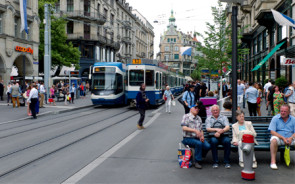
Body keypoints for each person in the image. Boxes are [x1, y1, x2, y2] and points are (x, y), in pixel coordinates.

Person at [181, 105, 211, 169]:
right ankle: (197, 161)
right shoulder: (186, 116)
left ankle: (199, 155)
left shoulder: (199, 118)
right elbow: (184, 128)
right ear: (190, 109)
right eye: (195, 108)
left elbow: (201, 130)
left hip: (197, 138)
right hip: (187, 138)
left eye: (198, 108)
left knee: (207, 146)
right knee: (198, 144)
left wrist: (202, 136)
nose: (197, 109)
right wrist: (194, 131)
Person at [268, 105, 295, 169]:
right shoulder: (275, 118)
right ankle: (273, 162)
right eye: (281, 111)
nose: (282, 113)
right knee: (273, 140)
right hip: (279, 138)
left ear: (289, 112)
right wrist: (282, 138)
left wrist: (291, 138)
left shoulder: (293, 119)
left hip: (290, 138)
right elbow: (272, 131)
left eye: (285, 111)